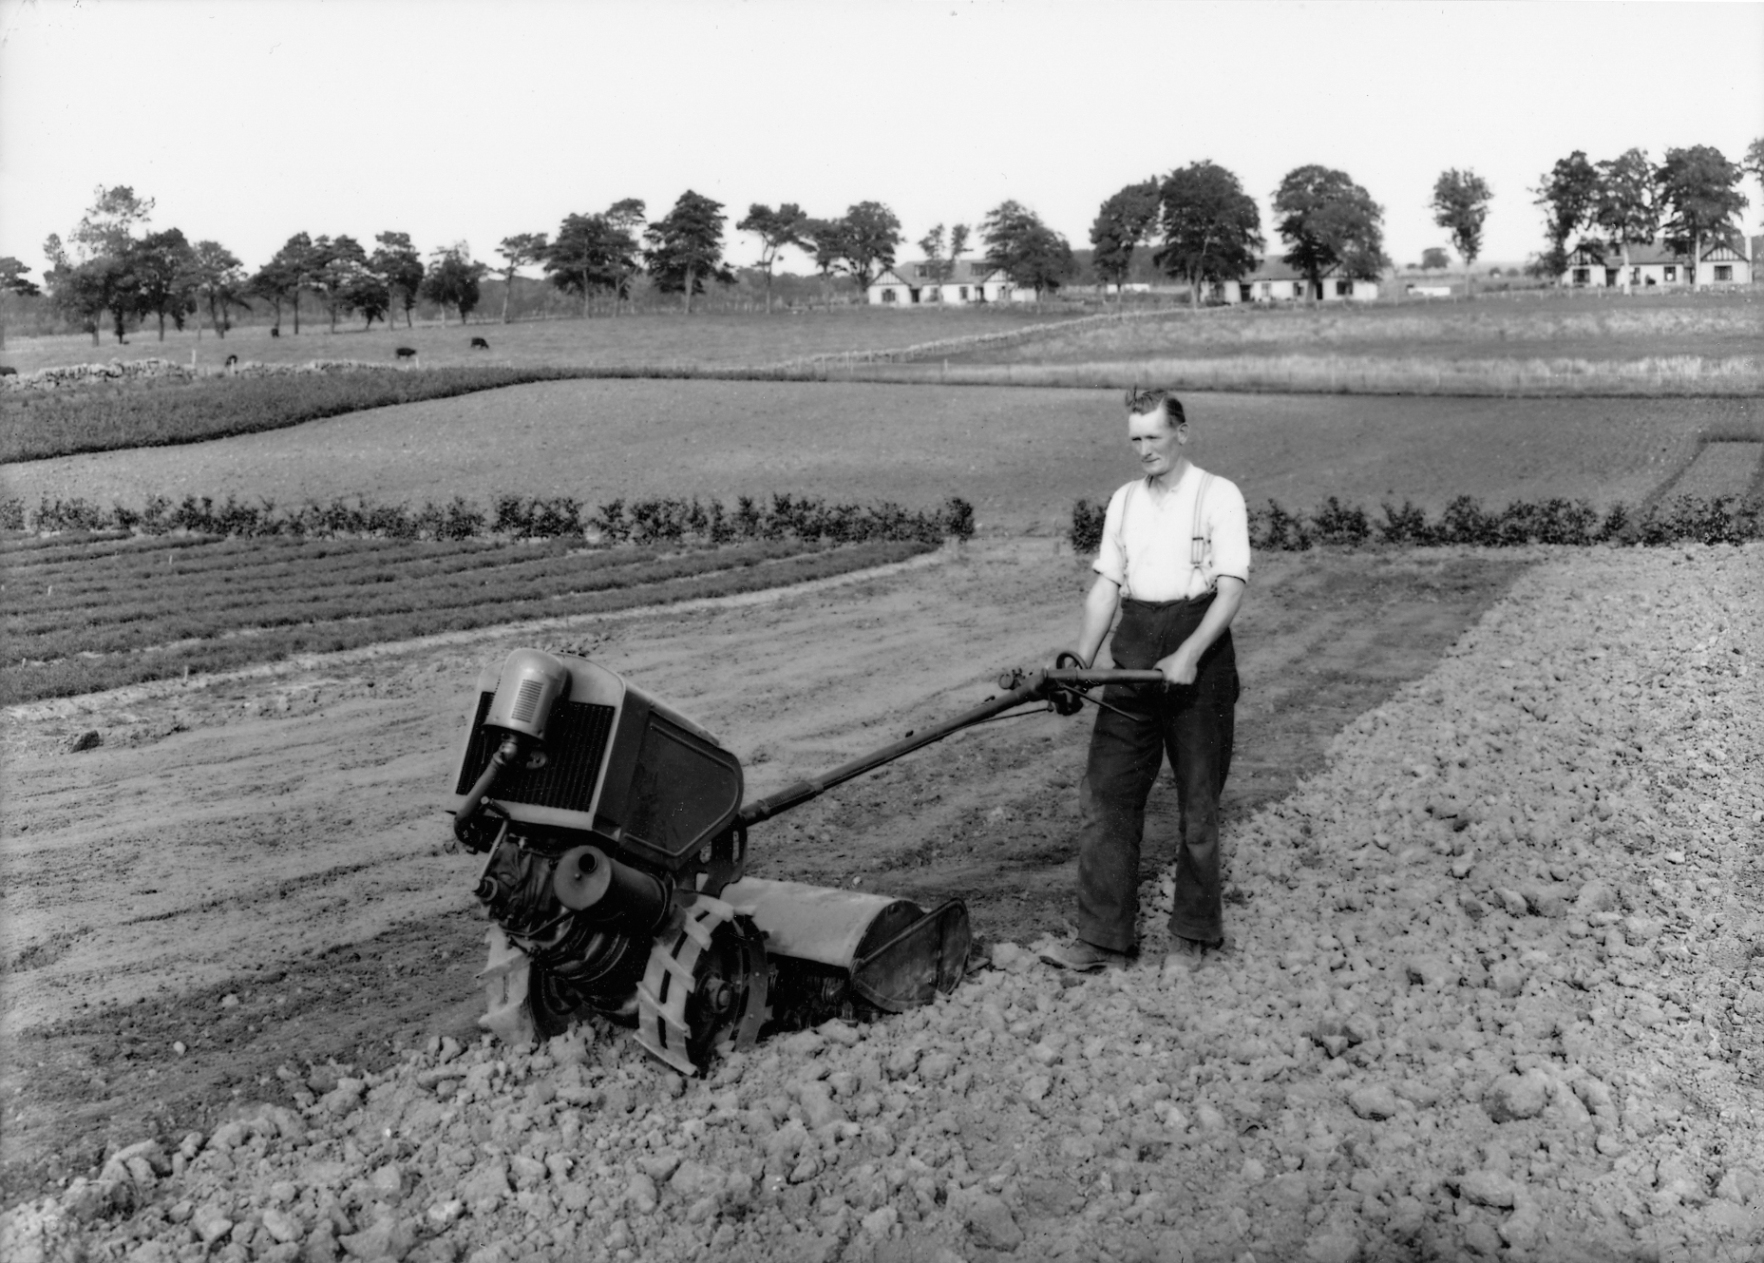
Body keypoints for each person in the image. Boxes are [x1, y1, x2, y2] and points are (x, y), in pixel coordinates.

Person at [1040, 387, 1250, 976]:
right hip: (1132, 655)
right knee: (1105, 798)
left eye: (1154, 436)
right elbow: (1107, 587)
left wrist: (1188, 653)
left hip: (1198, 659)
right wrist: (1081, 657)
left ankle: (1194, 936)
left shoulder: (1219, 495)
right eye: (1135, 439)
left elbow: (1230, 587)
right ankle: (1103, 939)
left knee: (1198, 807)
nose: (1144, 450)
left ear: (1181, 433)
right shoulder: (1126, 500)